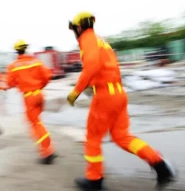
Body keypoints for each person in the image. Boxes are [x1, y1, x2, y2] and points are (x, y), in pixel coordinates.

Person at [67, 12, 177, 190]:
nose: (74, 32)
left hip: (105, 96)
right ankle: (160, 165)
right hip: (118, 94)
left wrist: (75, 91)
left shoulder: (87, 40)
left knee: (93, 138)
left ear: (79, 27)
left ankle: (94, 180)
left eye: (74, 28)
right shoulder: (100, 41)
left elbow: (92, 66)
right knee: (122, 137)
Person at [5, 40, 57, 164]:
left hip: (29, 97)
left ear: (17, 51)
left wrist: (13, 85)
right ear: (26, 49)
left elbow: (9, 83)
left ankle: (47, 153)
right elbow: (47, 76)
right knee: (38, 122)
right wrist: (40, 87)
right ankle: (49, 149)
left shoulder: (13, 65)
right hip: (39, 94)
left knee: (35, 124)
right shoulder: (37, 62)